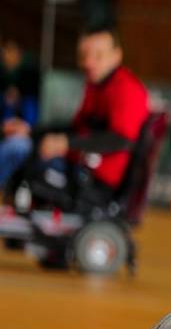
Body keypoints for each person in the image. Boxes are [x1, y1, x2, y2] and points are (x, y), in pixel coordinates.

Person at [25, 26, 148, 207]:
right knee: (27, 152)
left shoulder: (127, 89)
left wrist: (65, 143)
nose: (88, 62)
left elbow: (121, 139)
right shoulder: (96, 85)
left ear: (117, 55)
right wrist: (32, 132)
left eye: (98, 56)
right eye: (83, 56)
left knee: (32, 171)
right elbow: (76, 128)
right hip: (79, 170)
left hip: (97, 183)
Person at [0, 37, 40, 188]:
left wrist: (18, 102)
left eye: (12, 51)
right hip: (3, 134)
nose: (7, 55)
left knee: (19, 145)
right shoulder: (3, 78)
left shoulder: (30, 78)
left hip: (21, 134)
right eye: (6, 51)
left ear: (20, 53)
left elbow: (33, 120)